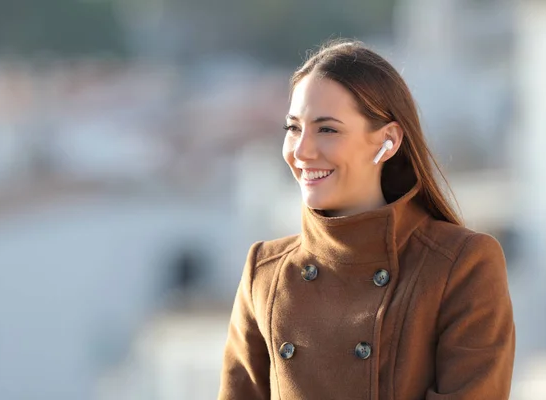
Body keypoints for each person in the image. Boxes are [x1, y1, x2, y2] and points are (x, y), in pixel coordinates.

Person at [218, 39, 515, 399]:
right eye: (294, 128)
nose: (301, 151)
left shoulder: (461, 264)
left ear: (387, 141)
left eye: (327, 129)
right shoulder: (264, 273)